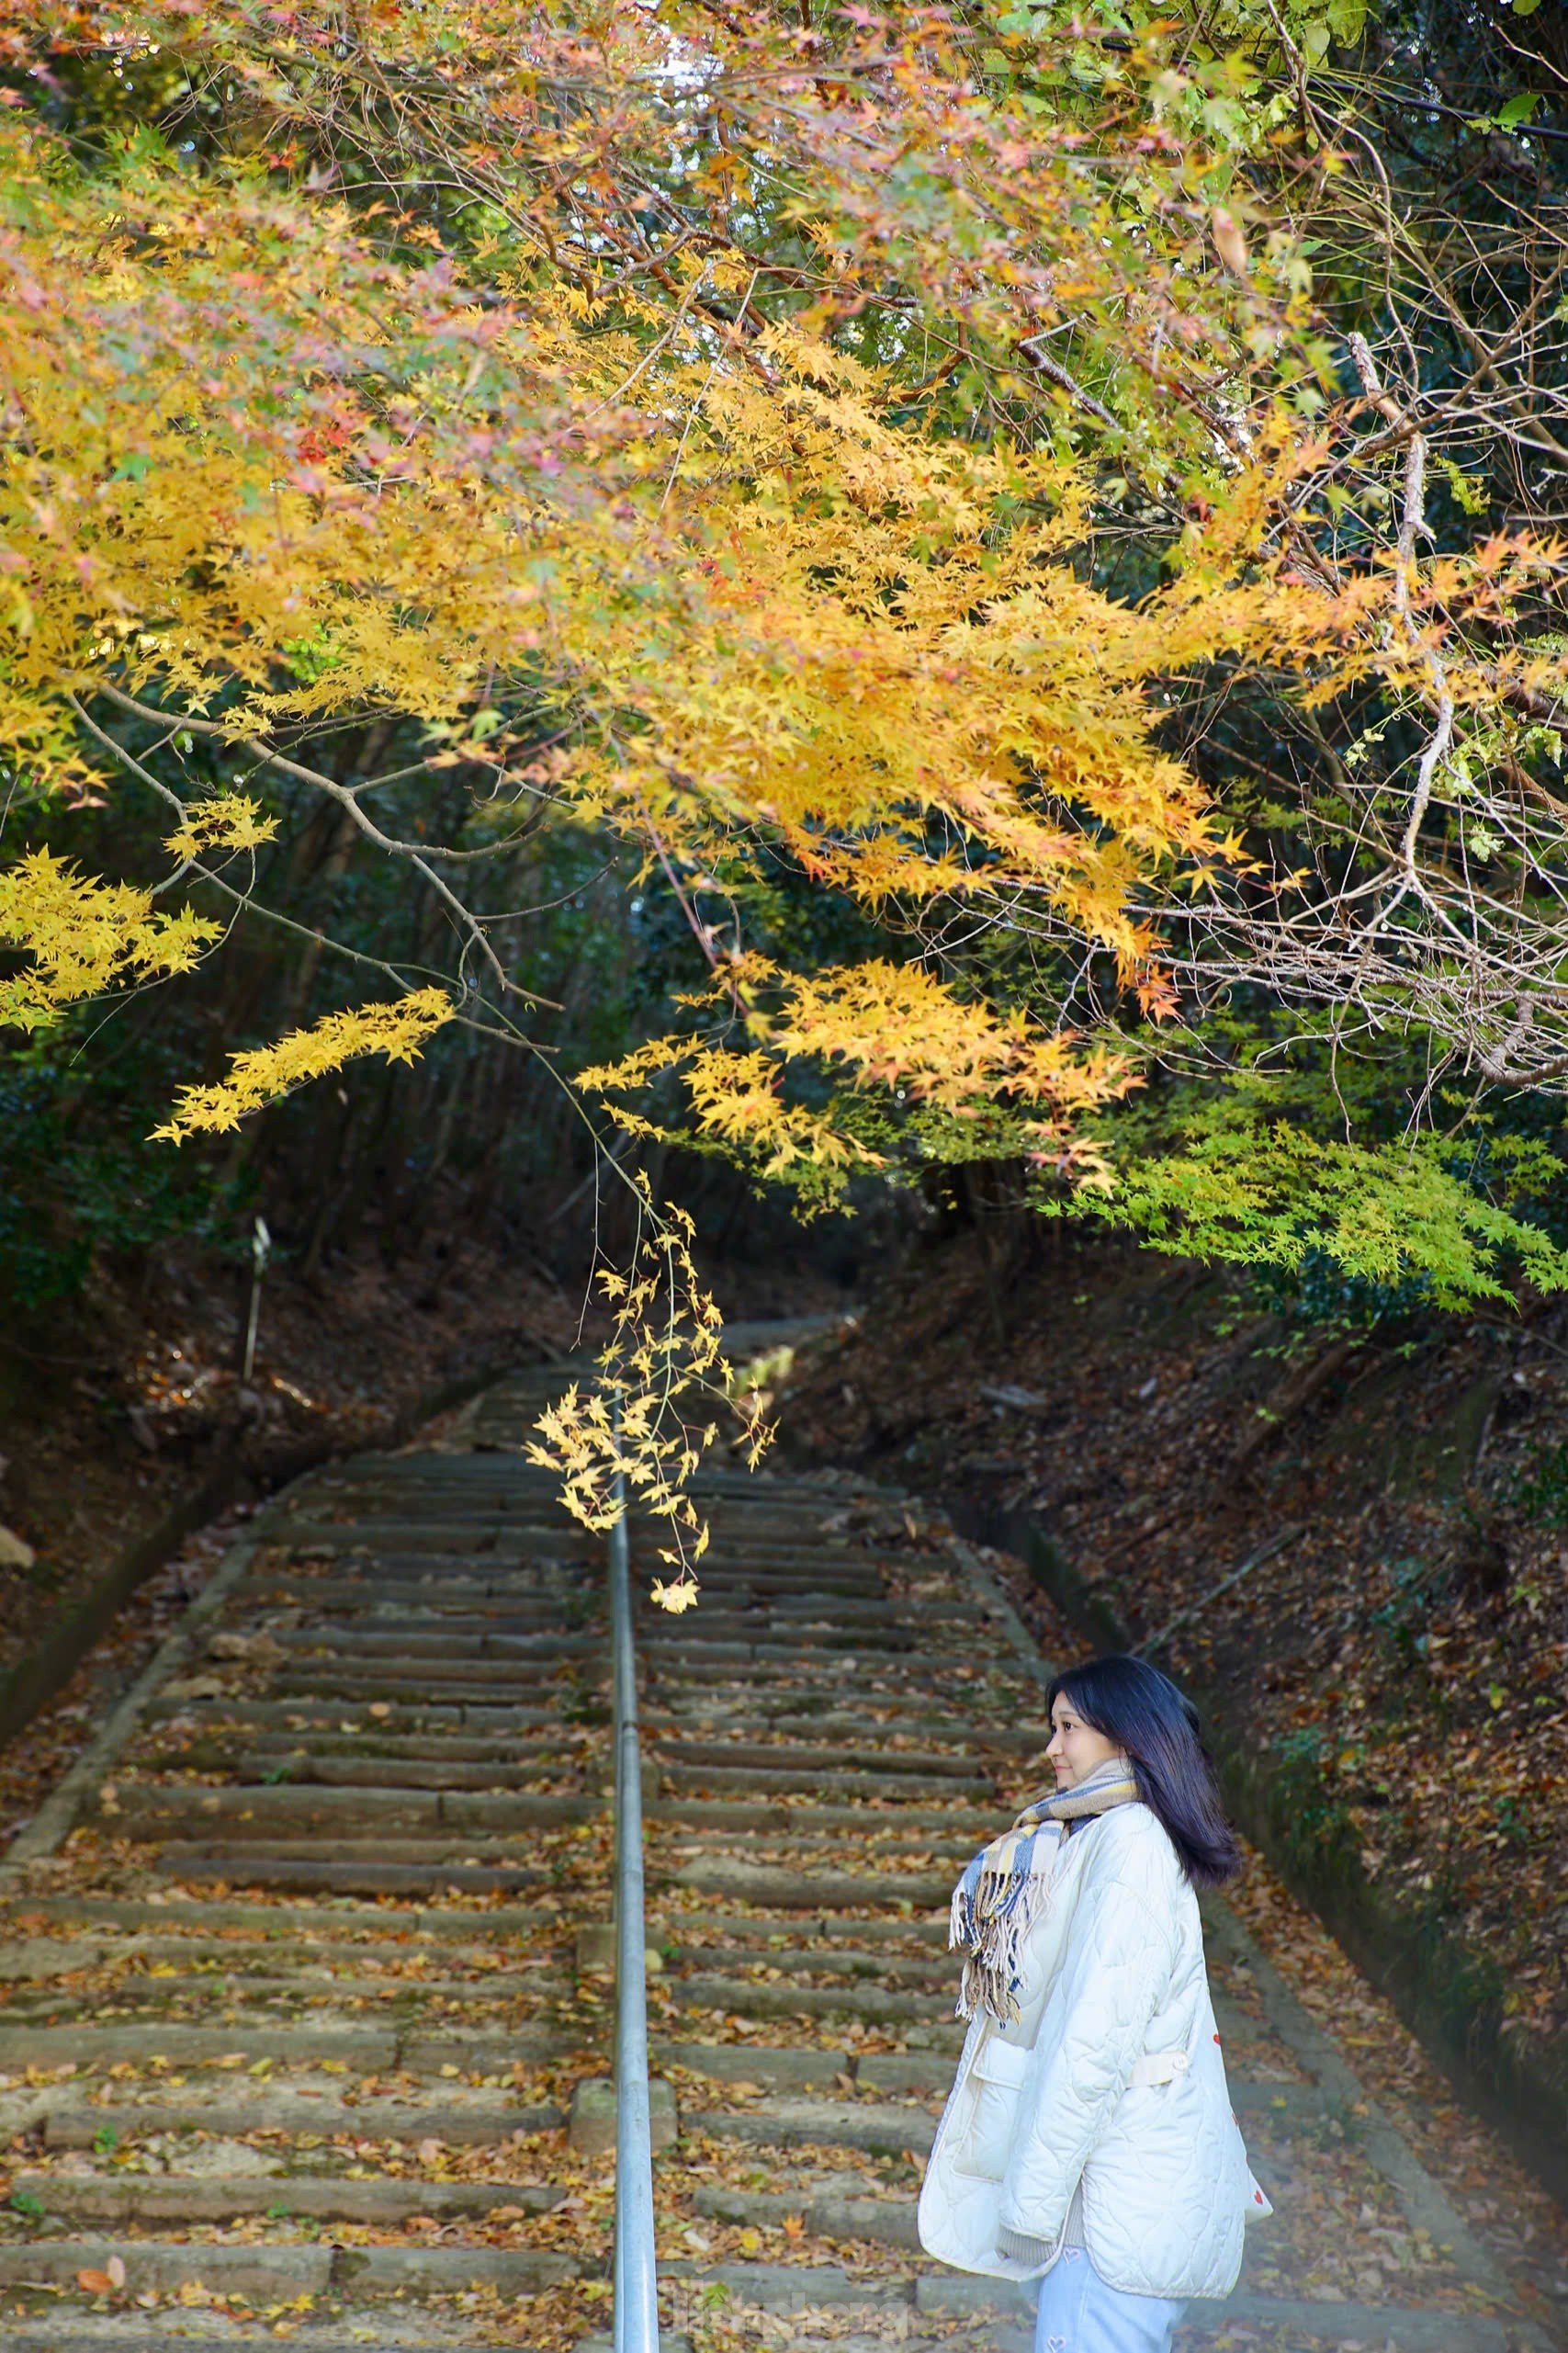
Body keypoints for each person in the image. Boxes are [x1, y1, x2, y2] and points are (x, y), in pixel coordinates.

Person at [917, 1653, 1273, 2353]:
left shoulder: (1130, 1843)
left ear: (1126, 1735)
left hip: (1110, 2208)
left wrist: (1032, 2205)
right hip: (1118, 2198)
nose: (1051, 1748)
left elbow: (1091, 2042)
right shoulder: (1109, 1836)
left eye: (1068, 1727)